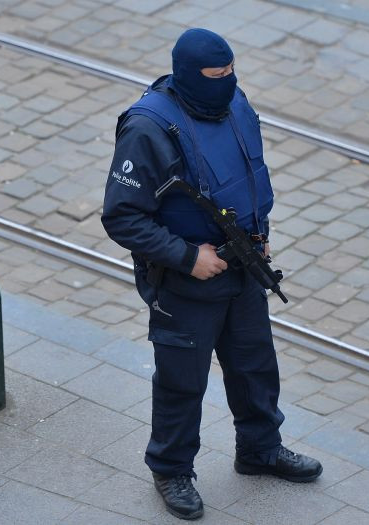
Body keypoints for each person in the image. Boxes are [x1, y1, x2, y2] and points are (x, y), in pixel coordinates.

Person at [101, 28, 322, 520]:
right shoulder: (148, 128)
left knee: (255, 365)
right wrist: (186, 256)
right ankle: (171, 468)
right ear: (186, 73)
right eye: (214, 75)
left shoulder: (236, 102)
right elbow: (122, 217)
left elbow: (248, 173)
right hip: (185, 281)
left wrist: (258, 233)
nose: (225, 82)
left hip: (244, 266)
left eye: (229, 72)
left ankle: (260, 449)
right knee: (182, 380)